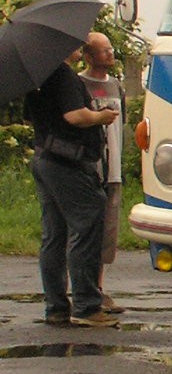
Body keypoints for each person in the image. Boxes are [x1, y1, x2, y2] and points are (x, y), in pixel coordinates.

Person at [24, 42, 120, 327]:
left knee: (54, 234)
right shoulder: (64, 75)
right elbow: (74, 116)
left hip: (44, 157)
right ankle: (86, 306)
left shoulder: (39, 77)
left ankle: (56, 306)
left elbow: (29, 116)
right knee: (87, 224)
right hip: (68, 161)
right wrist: (101, 117)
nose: (80, 45)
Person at [79, 32, 126, 312]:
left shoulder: (117, 86)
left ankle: (99, 287)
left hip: (114, 169)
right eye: (103, 50)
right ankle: (85, 291)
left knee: (108, 233)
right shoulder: (79, 84)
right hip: (91, 167)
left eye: (110, 49)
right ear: (88, 56)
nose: (110, 54)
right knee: (88, 233)